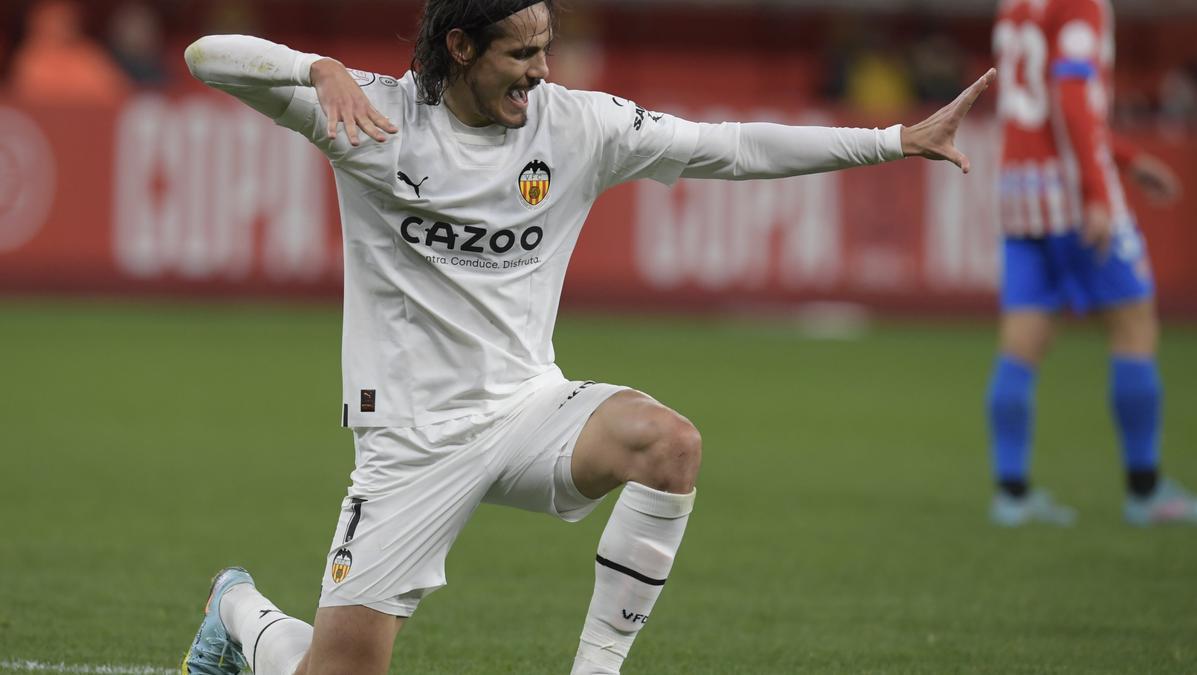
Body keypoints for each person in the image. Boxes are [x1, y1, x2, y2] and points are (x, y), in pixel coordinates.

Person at [182, 2, 995, 673]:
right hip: (411, 439)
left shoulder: (579, 127)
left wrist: (893, 140)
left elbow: (733, 145)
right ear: (460, 47)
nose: (541, 70)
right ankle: (239, 609)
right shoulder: (371, 115)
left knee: (668, 444)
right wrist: (313, 66)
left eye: (547, 48)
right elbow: (205, 56)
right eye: (521, 52)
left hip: (527, 407)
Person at [988, 0, 1195, 527]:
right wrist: (1101, 191)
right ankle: (1144, 491)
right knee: (1134, 328)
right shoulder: (1080, 3)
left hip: (1019, 192)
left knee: (1021, 344)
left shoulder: (1014, 6)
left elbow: (1041, 99)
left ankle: (1011, 495)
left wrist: (1128, 160)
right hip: (1073, 193)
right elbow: (1071, 95)